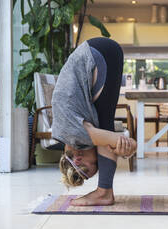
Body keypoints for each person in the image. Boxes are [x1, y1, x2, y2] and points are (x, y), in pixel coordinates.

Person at [51, 37, 136, 206]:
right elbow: (114, 140)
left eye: (95, 163)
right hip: (98, 52)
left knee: (105, 127)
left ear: (78, 159)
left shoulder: (75, 135)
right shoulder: (65, 132)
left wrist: (128, 149)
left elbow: (126, 143)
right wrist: (123, 149)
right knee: (105, 125)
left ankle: (104, 192)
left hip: (99, 54)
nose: (98, 155)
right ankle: (104, 192)